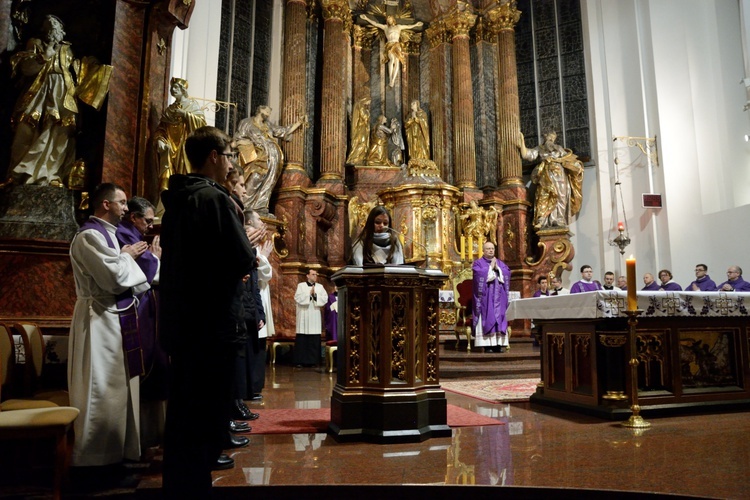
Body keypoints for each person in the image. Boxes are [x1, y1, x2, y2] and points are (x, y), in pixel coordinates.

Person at [159, 126, 256, 496]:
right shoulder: (214, 200)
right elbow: (241, 258)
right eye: (229, 155)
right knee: (205, 414)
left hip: (184, 323)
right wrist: (249, 242)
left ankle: (179, 486)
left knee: (183, 411)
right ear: (214, 156)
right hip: (212, 324)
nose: (231, 162)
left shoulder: (179, 198)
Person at [68, 183, 149, 467]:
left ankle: (116, 456)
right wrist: (126, 256)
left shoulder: (108, 235)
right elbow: (112, 278)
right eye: (123, 202)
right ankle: (93, 462)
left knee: (118, 390)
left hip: (113, 317)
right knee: (100, 390)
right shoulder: (90, 235)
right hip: (98, 320)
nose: (127, 209)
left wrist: (124, 257)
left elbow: (124, 275)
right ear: (105, 204)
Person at [9, 15, 110, 186]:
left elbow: (76, 70)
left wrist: (91, 67)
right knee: (26, 127)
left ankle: (51, 174)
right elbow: (24, 68)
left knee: (61, 131)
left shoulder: (68, 49)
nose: (51, 28)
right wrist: (43, 57)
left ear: (62, 31)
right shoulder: (36, 44)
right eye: (47, 25)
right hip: (39, 91)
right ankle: (21, 172)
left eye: (55, 25)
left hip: (63, 94)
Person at [115, 196, 167, 450]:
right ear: (134, 217)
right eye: (146, 220)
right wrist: (156, 258)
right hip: (137, 307)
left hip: (149, 305)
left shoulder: (132, 234)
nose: (149, 225)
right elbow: (148, 268)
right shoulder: (124, 234)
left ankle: (153, 432)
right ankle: (144, 436)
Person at [234, 105, 305, 214]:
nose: (268, 113)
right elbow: (238, 139)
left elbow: (282, 131)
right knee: (255, 177)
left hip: (273, 158)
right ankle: (244, 205)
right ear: (259, 110)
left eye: (269, 112)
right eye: (266, 110)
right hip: (257, 156)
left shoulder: (268, 125)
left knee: (269, 181)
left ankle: (260, 207)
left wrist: (299, 123)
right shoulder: (247, 122)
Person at [518, 130, 584, 230]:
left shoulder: (559, 149)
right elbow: (526, 155)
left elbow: (569, 160)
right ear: (544, 137)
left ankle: (559, 219)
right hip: (545, 175)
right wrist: (522, 141)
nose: (551, 139)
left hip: (560, 175)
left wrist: (576, 166)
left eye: (553, 137)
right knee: (543, 195)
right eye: (549, 136)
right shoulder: (539, 149)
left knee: (561, 196)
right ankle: (542, 220)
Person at [153, 77, 207, 193]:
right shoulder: (169, 110)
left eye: (176, 87)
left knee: (185, 175)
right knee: (168, 178)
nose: (173, 89)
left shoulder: (192, 106)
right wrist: (160, 140)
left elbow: (201, 125)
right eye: (172, 87)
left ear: (183, 90)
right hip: (170, 148)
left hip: (185, 147)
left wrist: (185, 115)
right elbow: (161, 129)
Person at [360, 14, 423, 88]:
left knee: (397, 61)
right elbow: (376, 24)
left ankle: (393, 79)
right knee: (392, 59)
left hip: (397, 44)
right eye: (387, 19)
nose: (388, 20)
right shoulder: (386, 27)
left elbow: (408, 26)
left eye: (389, 18)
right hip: (389, 45)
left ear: (393, 19)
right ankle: (391, 79)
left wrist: (416, 24)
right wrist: (366, 18)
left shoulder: (398, 27)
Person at [472, 241, 511, 353]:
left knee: (499, 318)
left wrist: (498, 269)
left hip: (499, 297)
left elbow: (507, 272)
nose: (490, 250)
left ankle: (498, 344)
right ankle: (488, 345)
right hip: (486, 297)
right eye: (488, 248)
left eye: (492, 248)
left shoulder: (500, 262)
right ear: (483, 251)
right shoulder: (478, 263)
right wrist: (490, 268)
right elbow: (478, 275)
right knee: (489, 316)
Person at [294, 268, 328, 367]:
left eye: (316, 274)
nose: (315, 276)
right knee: (303, 337)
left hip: (314, 314)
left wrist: (315, 295)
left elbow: (324, 299)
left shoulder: (320, 287)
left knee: (314, 338)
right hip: (304, 313)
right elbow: (297, 298)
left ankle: (313, 361)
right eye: (313, 274)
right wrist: (309, 295)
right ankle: (300, 361)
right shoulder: (301, 286)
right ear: (307, 275)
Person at [346, 96, 371, 165]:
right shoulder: (361, 106)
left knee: (364, 144)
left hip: (364, 128)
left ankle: (360, 159)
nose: (368, 104)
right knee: (362, 144)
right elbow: (365, 117)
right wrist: (368, 113)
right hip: (361, 128)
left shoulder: (362, 106)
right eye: (368, 102)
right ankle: (353, 158)